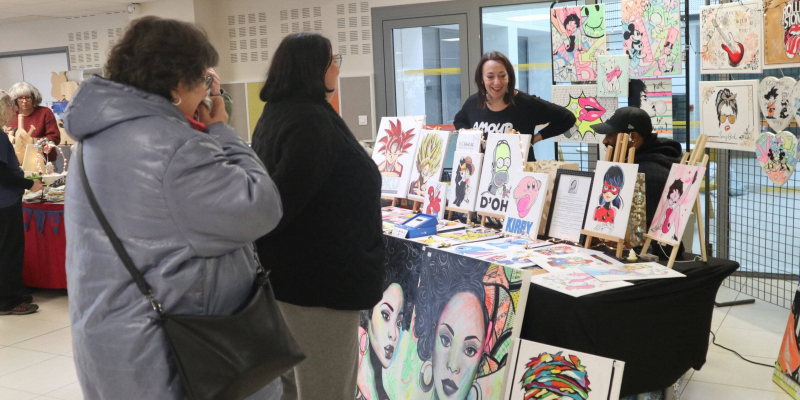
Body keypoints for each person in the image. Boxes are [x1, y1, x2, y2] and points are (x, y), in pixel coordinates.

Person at [63, 16, 282, 399]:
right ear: (178, 83)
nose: (205, 92)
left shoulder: (90, 142)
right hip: (176, 352)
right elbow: (261, 207)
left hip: (110, 339)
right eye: (203, 80)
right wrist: (221, 131)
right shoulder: (177, 147)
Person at [251, 32, 385, 400]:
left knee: (300, 384)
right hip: (318, 285)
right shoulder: (309, 121)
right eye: (334, 60)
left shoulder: (283, 111)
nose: (339, 68)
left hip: (297, 281)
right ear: (315, 69)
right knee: (326, 387)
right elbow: (282, 203)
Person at [591, 106, 685, 258]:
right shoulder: (631, 165)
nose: (605, 140)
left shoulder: (648, 173)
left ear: (633, 138)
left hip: (650, 259)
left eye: (610, 134)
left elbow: (654, 238)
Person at [453, 51, 576, 162]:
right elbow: (459, 121)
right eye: (490, 77)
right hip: (483, 179)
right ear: (481, 79)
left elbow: (567, 118)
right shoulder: (473, 103)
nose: (497, 82)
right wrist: (472, 139)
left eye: (502, 75)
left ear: (509, 77)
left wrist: (534, 139)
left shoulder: (526, 103)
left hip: (520, 180)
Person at [0, 91, 44, 315]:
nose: (15, 111)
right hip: (5, 202)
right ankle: (9, 300)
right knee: (10, 251)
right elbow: (2, 172)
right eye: (12, 107)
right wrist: (29, 183)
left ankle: (13, 291)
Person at [7, 82, 60, 162]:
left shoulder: (45, 112)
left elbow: (54, 137)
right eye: (20, 98)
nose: (24, 101)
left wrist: (30, 141)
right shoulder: (9, 115)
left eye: (27, 98)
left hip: (44, 160)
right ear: (15, 100)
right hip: (17, 160)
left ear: (34, 98)